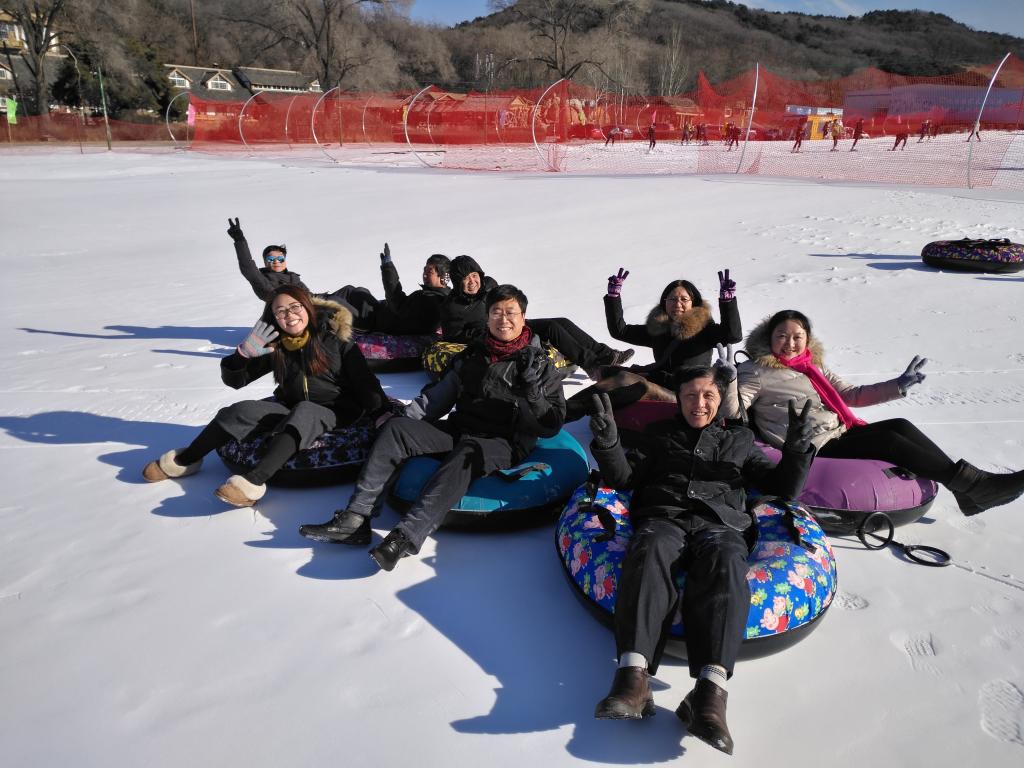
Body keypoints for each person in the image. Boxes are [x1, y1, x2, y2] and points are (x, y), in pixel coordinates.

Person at [589, 365, 814, 755]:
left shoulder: (740, 439)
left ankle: (709, 694)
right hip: (665, 517)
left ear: (721, 399)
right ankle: (633, 679)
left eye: (708, 395)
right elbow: (624, 479)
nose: (699, 403)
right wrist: (609, 443)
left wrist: (795, 451)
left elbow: (781, 488)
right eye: (690, 395)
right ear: (678, 398)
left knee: (726, 562)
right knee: (650, 549)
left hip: (720, 524)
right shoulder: (660, 434)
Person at [298, 285, 567, 568]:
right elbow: (438, 398)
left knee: (465, 453)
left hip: (504, 441)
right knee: (397, 430)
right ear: (487, 317)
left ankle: (405, 537)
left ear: (523, 317)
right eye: (496, 312)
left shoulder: (539, 366)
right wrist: (404, 417)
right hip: (462, 428)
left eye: (510, 312)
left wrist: (533, 394)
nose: (503, 319)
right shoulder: (473, 355)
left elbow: (550, 425)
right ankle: (355, 519)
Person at [723, 310, 1024, 516]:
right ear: (769, 337)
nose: (789, 343)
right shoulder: (756, 371)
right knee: (889, 443)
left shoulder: (813, 365)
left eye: (797, 336)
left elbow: (850, 395)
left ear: (807, 338)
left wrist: (897, 385)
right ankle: (976, 486)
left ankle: (966, 490)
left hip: (839, 431)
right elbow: (735, 412)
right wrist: (731, 381)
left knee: (900, 425)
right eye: (781, 336)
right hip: (811, 444)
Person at [142, 286, 389, 506]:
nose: (289, 315)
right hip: (290, 406)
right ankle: (184, 460)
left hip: (338, 411)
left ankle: (253, 482)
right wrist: (242, 355)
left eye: (295, 307)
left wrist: (381, 413)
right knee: (240, 410)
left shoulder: (337, 343)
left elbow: (365, 382)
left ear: (307, 307)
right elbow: (236, 381)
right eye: (281, 311)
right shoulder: (276, 346)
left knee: (306, 412)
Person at [565, 268, 742, 420]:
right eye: (672, 299)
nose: (677, 304)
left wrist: (727, 302)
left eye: (684, 299)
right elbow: (620, 331)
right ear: (664, 302)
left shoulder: (705, 330)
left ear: (693, 303)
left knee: (630, 381)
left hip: (686, 396)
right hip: (661, 385)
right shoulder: (660, 330)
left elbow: (733, 335)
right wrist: (613, 297)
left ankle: (567, 412)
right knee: (611, 373)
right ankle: (565, 408)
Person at [440, 254, 633, 375]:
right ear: (457, 283)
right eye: (466, 279)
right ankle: (591, 365)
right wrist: (478, 331)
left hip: (512, 323)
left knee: (560, 322)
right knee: (550, 328)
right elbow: (453, 336)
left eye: (474, 275)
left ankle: (606, 354)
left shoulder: (490, 285)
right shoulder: (453, 306)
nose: (472, 282)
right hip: (493, 335)